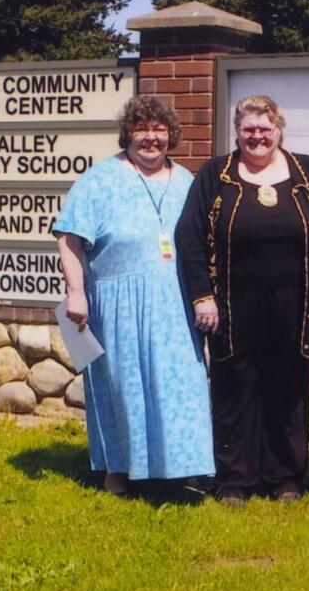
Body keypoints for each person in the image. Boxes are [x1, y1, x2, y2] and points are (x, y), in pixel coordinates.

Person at [177, 94, 309, 507]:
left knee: (289, 387)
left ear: (279, 129)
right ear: (237, 131)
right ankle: (235, 480)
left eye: (265, 128)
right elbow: (189, 237)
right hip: (231, 303)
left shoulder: (308, 171)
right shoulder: (217, 173)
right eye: (249, 129)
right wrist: (201, 296)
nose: (257, 136)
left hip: (295, 305)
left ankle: (285, 478)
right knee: (235, 388)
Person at [54, 96, 214, 497]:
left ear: (170, 135)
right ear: (128, 132)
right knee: (123, 386)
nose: (150, 138)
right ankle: (119, 472)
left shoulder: (187, 181)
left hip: (175, 303)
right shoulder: (99, 179)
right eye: (142, 128)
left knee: (180, 385)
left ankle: (179, 468)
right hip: (118, 301)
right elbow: (69, 237)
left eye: (159, 130)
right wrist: (76, 292)